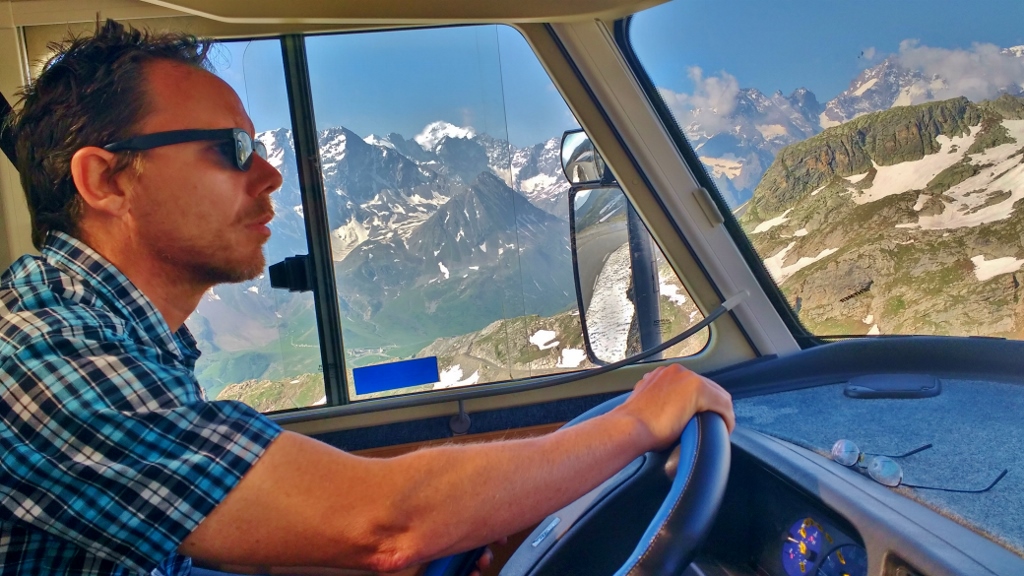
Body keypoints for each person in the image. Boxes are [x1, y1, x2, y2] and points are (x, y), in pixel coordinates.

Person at [0, 20, 735, 576]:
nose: (270, 180)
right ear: (105, 181)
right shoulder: (40, 351)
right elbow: (382, 524)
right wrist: (637, 421)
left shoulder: (116, 338)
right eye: (232, 151)